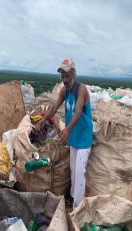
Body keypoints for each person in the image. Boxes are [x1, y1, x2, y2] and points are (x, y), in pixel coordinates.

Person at [36, 58, 93, 209]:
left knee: (80, 172)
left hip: (83, 136)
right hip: (73, 136)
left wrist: (66, 129)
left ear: (73, 74)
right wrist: (44, 119)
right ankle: (73, 198)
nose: (65, 80)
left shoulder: (81, 89)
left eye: (67, 76)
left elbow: (79, 112)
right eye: (62, 77)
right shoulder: (64, 91)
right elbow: (54, 107)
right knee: (73, 170)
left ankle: (77, 209)